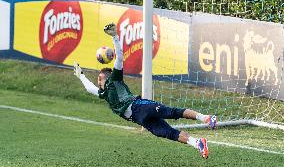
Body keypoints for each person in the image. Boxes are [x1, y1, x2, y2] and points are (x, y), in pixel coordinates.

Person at [73, 23, 217, 159]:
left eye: (99, 78)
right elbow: (89, 88)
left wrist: (115, 37)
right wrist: (81, 76)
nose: (98, 82)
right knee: (166, 133)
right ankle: (198, 142)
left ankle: (205, 117)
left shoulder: (115, 79)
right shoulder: (104, 94)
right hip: (139, 118)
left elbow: (120, 58)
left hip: (140, 106)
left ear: (107, 77)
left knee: (172, 112)